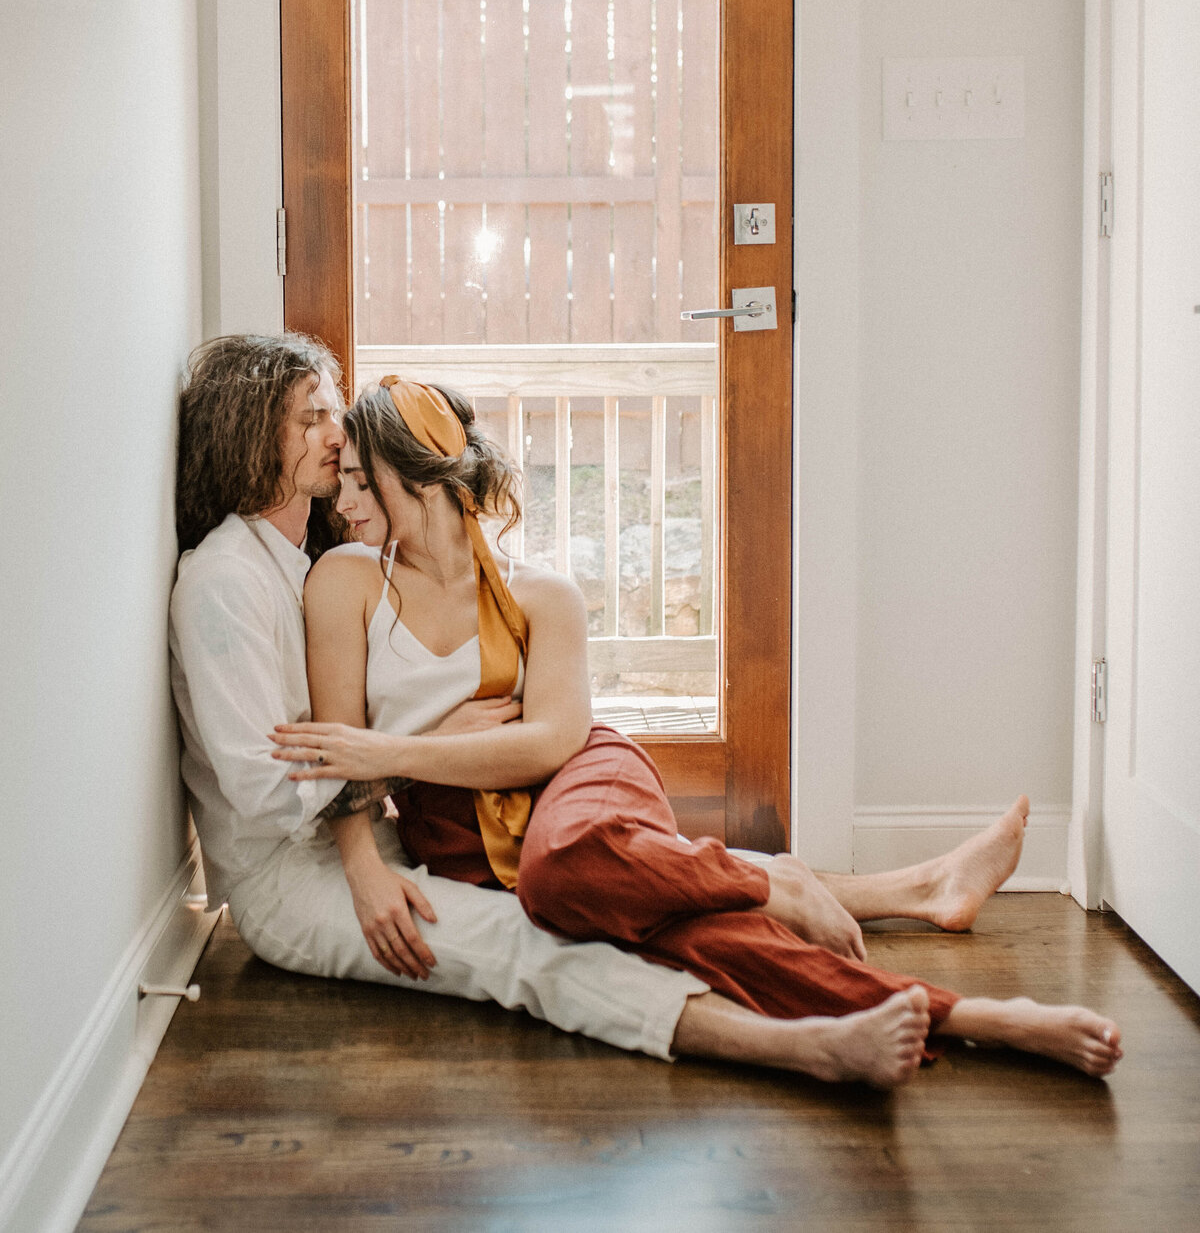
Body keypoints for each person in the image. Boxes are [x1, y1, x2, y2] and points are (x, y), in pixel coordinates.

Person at [272, 376, 1123, 1083]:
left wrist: (400, 753)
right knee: (707, 938)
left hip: (579, 784)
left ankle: (779, 883)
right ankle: (979, 1016)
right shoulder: (343, 582)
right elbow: (337, 755)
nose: (340, 502)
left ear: (419, 477)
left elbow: (548, 742)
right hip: (461, 834)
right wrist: (376, 836)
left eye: (359, 479)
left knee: (559, 865)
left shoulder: (542, 594)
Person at [171, 333, 938, 1087]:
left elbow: (362, 745)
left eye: (333, 413)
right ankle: (802, 1048)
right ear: (245, 434)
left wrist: (393, 772)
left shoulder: (302, 562)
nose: (338, 437)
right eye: (310, 417)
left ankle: (894, 908)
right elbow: (266, 794)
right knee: (530, 942)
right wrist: (415, 748)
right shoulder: (223, 584)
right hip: (290, 883)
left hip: (370, 834)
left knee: (603, 883)